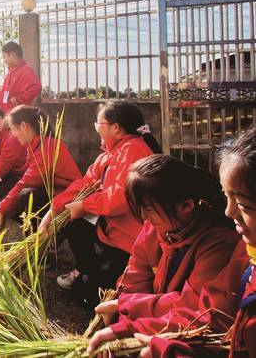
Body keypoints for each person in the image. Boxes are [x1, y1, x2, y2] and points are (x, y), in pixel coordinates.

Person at [86, 154, 243, 353]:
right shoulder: (154, 229)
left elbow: (193, 305)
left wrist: (127, 308)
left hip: (184, 330)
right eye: (140, 209)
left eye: (149, 209)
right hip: (157, 324)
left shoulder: (219, 242)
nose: (144, 218)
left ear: (186, 206)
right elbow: (134, 281)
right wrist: (123, 323)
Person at [133, 128, 256, 358]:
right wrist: (129, 322)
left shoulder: (222, 241)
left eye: (244, 205)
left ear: (186, 205)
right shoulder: (248, 254)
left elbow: (197, 307)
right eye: (227, 197)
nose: (230, 213)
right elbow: (213, 313)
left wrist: (133, 312)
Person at [38, 101, 162, 308]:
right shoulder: (110, 153)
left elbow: (120, 198)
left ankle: (108, 275)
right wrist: (53, 210)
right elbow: (84, 183)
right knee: (73, 222)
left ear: (115, 127)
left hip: (132, 240)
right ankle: (87, 267)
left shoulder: (134, 150)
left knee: (88, 294)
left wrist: (84, 206)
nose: (95, 128)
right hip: (112, 230)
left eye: (98, 123)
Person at [0, 105, 81, 233]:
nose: (13, 134)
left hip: (67, 199)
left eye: (13, 129)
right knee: (13, 191)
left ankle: (39, 238)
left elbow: (26, 182)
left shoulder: (47, 147)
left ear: (23, 126)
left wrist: (1, 210)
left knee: (25, 195)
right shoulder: (38, 144)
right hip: (54, 193)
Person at [0, 41, 41, 112]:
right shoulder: (10, 73)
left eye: (4, 57)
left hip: (19, 116)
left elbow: (36, 87)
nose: (4, 60)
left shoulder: (26, 70)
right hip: (7, 115)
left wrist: (18, 99)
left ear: (13, 55)